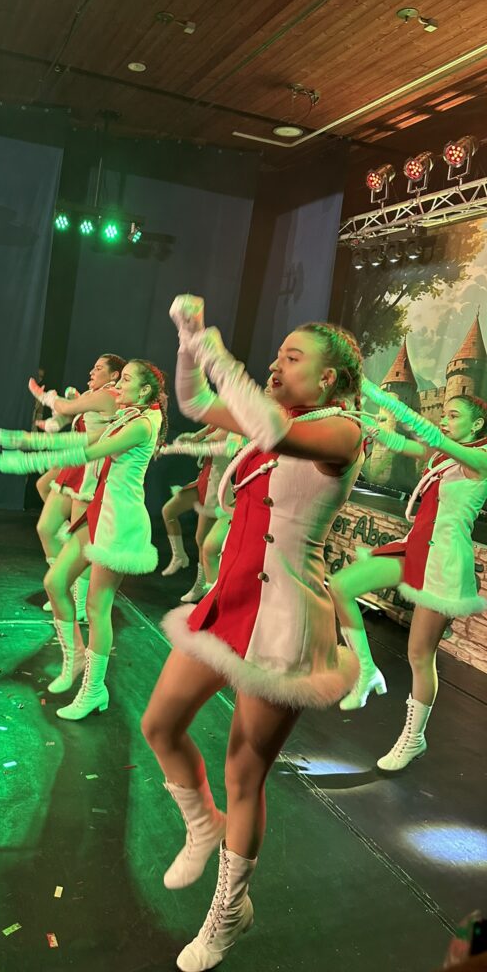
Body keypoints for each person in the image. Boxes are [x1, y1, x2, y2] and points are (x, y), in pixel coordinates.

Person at [142, 295, 363, 972]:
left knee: (244, 771)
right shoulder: (272, 413)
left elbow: (267, 429)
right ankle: (201, 824)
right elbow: (191, 400)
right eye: (277, 353)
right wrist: (188, 341)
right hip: (229, 604)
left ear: (328, 378)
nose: (275, 364)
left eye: (292, 358)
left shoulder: (342, 432)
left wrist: (215, 347)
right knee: (160, 725)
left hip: (285, 621)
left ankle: (229, 909)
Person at [0, 359, 167, 719]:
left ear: (145, 390)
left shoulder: (144, 424)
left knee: (97, 607)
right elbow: (86, 438)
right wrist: (29, 441)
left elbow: (90, 452)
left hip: (119, 522)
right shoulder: (129, 415)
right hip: (98, 511)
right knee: (55, 582)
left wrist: (25, 463)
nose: (119, 385)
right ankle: (73, 658)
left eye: (126, 380)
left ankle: (94, 689)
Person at [329, 387, 487, 770]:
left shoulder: (480, 457)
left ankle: (413, 738)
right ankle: (367, 671)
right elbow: (401, 442)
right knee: (342, 586)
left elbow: (428, 435)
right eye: (444, 414)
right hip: (414, 547)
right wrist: (362, 422)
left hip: (444, 562)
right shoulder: (444, 458)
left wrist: (370, 389)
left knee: (419, 655)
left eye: (453, 415)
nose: (444, 421)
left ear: (478, 424)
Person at [29, 353, 124, 620]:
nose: (91, 371)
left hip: (91, 470)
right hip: (76, 464)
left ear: (114, 375)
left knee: (82, 543)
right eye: (92, 367)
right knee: (46, 527)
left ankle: (79, 600)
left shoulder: (109, 395)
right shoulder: (94, 395)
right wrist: (55, 419)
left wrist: (45, 396)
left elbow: (64, 407)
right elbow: (70, 414)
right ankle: (63, 584)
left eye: (99, 368)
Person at [159, 429, 245, 601]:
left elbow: (205, 446)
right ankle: (181, 559)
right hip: (204, 481)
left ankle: (206, 587)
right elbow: (198, 438)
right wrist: (190, 437)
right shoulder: (217, 423)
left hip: (216, 488)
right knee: (171, 513)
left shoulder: (232, 427)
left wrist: (169, 449)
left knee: (205, 543)